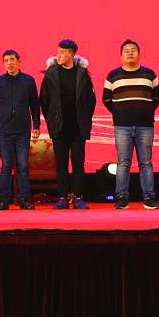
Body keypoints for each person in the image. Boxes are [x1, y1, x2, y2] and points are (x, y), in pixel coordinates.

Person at [103, 40, 159, 210]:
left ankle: (149, 198)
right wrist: (121, 113)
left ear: (139, 54)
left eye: (133, 50)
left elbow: (157, 97)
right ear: (121, 55)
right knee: (123, 162)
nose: (130, 53)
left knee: (146, 162)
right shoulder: (113, 75)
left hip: (145, 125)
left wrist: (144, 111)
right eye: (126, 50)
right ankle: (121, 198)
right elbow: (106, 99)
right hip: (122, 126)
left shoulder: (149, 74)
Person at [40, 39, 96, 210]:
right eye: (58, 51)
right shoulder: (51, 74)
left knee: (78, 164)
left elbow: (90, 100)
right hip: (59, 128)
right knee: (61, 165)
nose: (58, 55)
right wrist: (52, 120)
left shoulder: (83, 74)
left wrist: (85, 119)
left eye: (62, 52)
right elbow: (44, 100)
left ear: (71, 54)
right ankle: (63, 198)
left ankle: (78, 198)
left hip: (78, 127)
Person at [0, 49, 40, 211]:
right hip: (4, 131)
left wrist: (37, 125)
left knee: (23, 166)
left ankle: (24, 200)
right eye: (6, 61)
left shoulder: (28, 81)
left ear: (19, 61)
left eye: (12, 60)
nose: (9, 63)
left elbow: (35, 105)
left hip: (23, 130)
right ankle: (4, 201)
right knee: (6, 166)